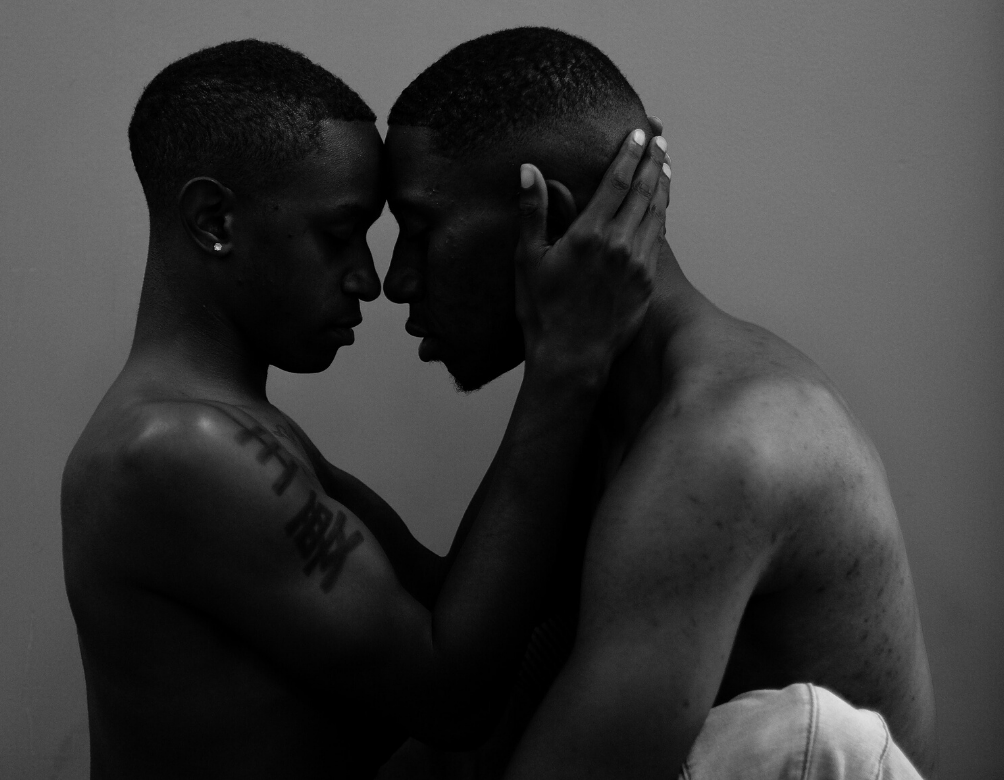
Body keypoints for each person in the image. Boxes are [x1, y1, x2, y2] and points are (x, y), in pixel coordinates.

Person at [60, 39, 671, 778]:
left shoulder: (231, 428)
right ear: (214, 219)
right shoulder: (174, 447)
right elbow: (453, 698)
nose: (369, 278)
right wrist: (564, 366)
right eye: (338, 235)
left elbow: (453, 607)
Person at [379, 26, 935, 779]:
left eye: (420, 230)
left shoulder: (721, 446)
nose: (397, 280)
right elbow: (469, 685)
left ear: (554, 220)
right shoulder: (596, 400)